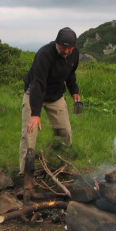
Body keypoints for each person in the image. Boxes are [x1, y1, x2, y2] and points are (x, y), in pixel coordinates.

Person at [19, 27, 81, 173]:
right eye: (63, 48)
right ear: (56, 43)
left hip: (56, 95)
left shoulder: (74, 54)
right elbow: (38, 84)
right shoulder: (44, 54)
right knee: (29, 134)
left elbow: (70, 73)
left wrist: (74, 91)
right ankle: (24, 173)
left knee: (65, 131)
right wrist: (35, 114)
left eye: (70, 49)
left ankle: (61, 166)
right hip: (34, 93)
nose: (66, 52)